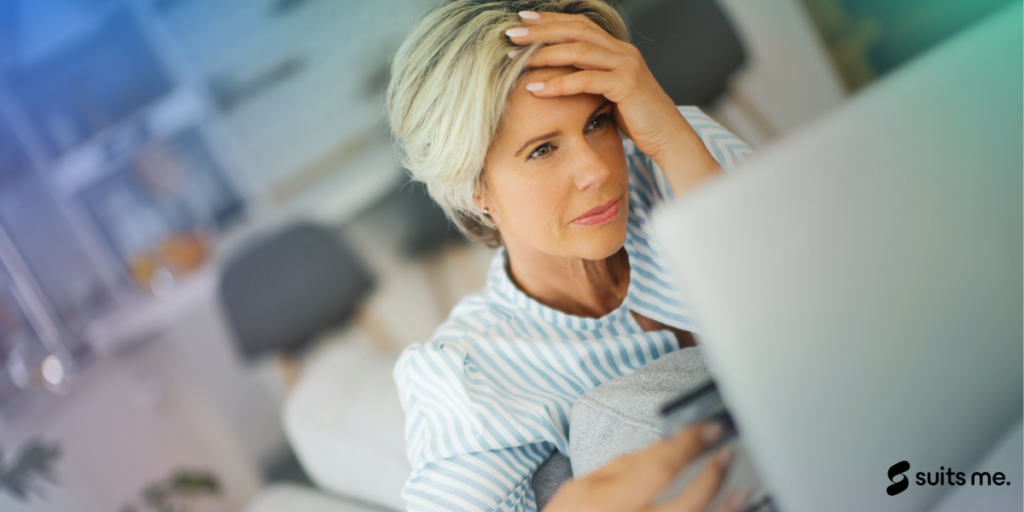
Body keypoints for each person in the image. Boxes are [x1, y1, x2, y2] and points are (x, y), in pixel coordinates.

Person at [386, 1, 754, 510]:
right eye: (542, 149)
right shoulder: (473, 376)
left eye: (598, 122)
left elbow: (816, 295)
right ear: (475, 190)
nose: (597, 170)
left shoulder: (681, 155)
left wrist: (670, 132)